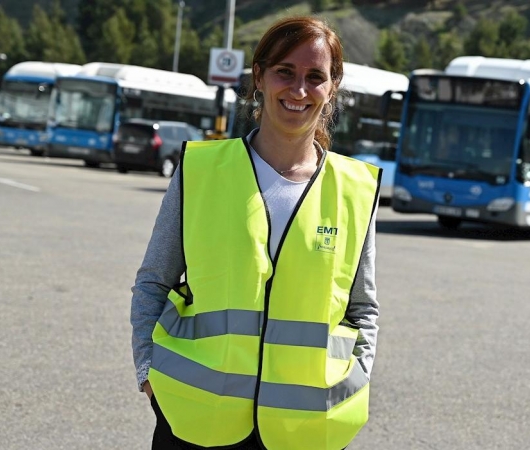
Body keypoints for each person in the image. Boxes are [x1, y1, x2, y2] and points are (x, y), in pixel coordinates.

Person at [130, 16, 382, 450]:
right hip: (196, 418)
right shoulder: (202, 170)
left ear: (332, 87)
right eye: (285, 71)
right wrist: (148, 374)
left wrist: (353, 381)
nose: (299, 90)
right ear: (259, 76)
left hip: (304, 430)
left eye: (315, 77)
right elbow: (154, 281)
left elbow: (363, 309)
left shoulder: (355, 189)